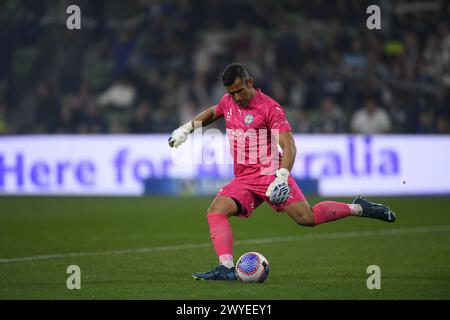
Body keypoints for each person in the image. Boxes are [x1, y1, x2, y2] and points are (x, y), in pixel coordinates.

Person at [168, 63, 396, 281]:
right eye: (231, 93)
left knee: (307, 218)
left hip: (270, 174)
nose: (236, 97)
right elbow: (213, 112)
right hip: (244, 178)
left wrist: (282, 176)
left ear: (250, 82)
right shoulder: (228, 101)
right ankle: (226, 268)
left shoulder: (270, 108)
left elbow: (289, 146)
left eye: (239, 91)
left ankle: (358, 208)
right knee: (216, 210)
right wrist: (187, 129)